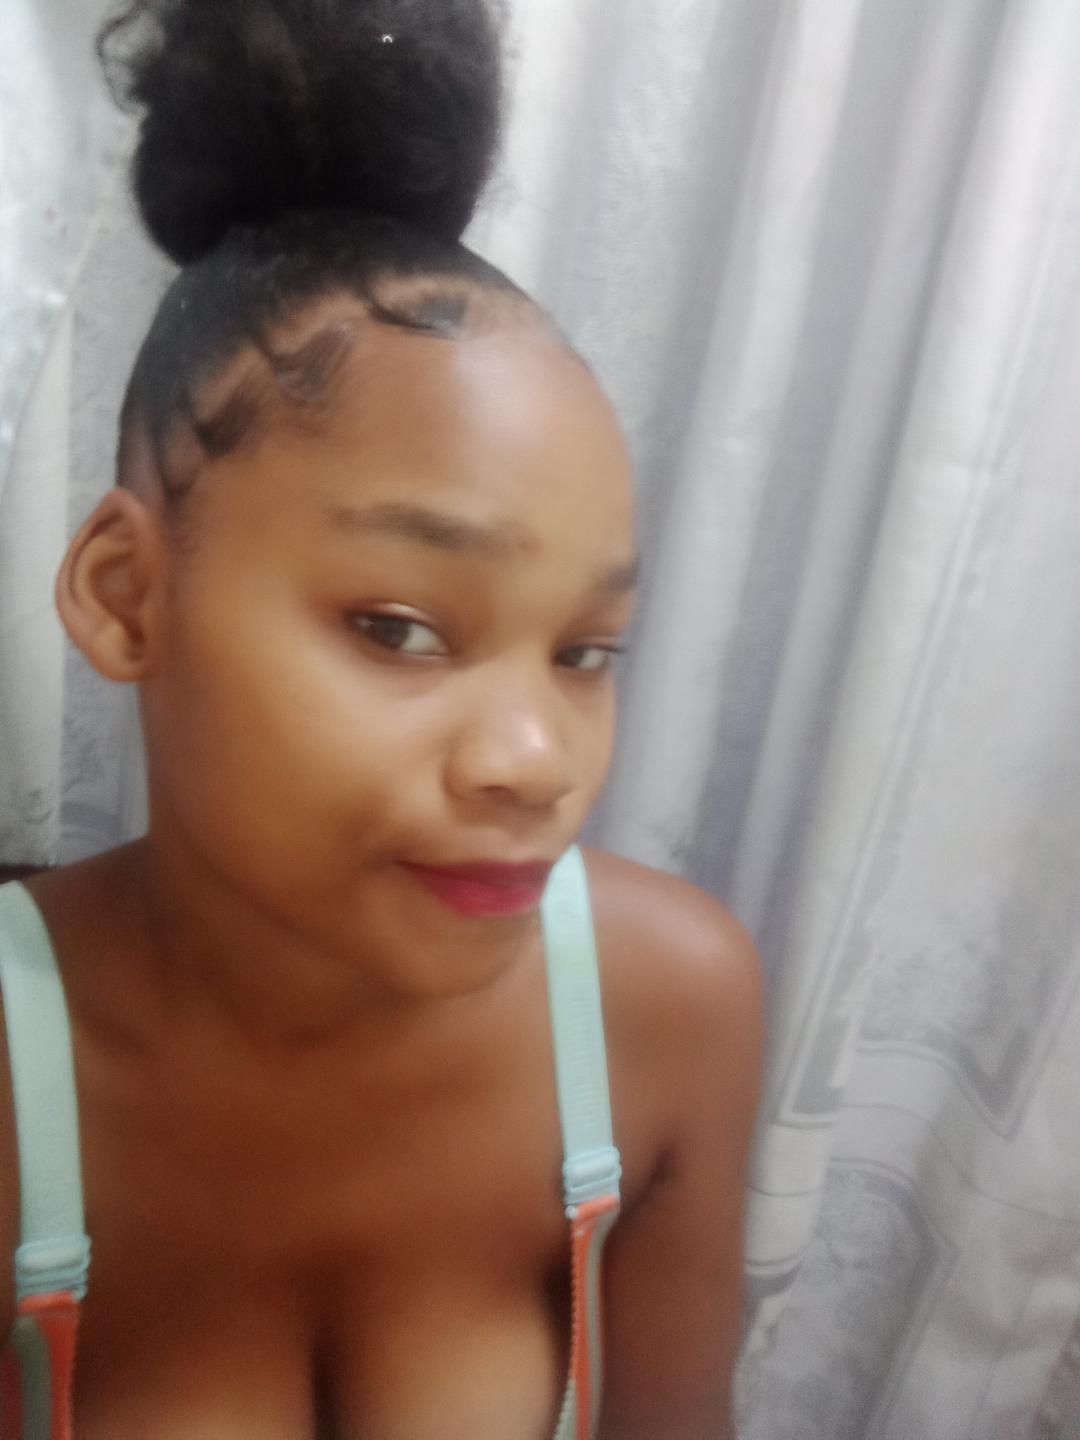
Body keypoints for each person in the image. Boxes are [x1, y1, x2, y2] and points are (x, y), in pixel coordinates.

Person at [0, 2, 763, 1436]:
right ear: (124, 595)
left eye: (587, 651)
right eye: (401, 628)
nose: (535, 764)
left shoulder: (670, 1010)